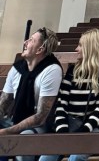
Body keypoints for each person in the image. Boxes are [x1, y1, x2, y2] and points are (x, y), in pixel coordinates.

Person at [40, 29, 99, 161]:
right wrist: (62, 131)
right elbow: (61, 104)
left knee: (76, 156)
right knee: (46, 157)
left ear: (90, 48)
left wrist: (83, 131)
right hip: (69, 123)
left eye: (80, 45)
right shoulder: (72, 71)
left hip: (92, 126)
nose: (76, 49)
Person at [0, 26, 63, 157]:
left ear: (40, 49)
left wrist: (7, 131)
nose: (25, 42)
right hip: (14, 119)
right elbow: (3, 104)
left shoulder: (52, 70)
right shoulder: (17, 68)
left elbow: (40, 117)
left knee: (24, 139)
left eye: (31, 40)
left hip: (42, 125)